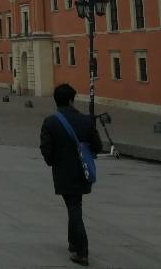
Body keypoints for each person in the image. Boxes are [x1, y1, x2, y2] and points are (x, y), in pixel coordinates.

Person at [40, 84, 103, 267]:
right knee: (74, 205)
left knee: (74, 207)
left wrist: (54, 162)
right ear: (71, 99)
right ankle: (72, 242)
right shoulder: (86, 120)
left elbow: (46, 150)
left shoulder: (50, 122)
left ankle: (82, 252)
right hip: (83, 172)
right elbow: (98, 146)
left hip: (63, 173)